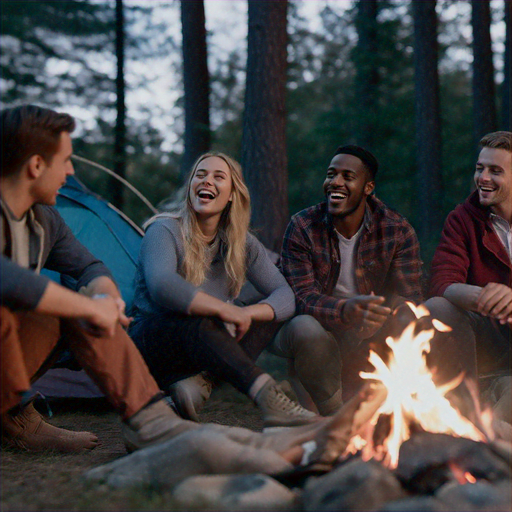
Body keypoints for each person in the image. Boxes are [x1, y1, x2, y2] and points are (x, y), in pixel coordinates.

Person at [1, 105, 219, 454]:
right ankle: (17, 417)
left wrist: (103, 297)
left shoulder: (45, 220)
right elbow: (7, 279)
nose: (70, 171)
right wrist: (85, 303)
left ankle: (153, 422)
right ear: (36, 165)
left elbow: (90, 267)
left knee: (76, 307)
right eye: (66, 160)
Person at [129, 152, 318, 429]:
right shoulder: (164, 230)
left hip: (203, 347)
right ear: (191, 186)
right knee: (204, 321)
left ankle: (196, 384)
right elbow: (162, 286)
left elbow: (286, 294)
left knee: (262, 313)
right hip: (153, 343)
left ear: (231, 194)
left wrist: (248, 313)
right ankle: (270, 399)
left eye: (219, 177)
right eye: (200, 174)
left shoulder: (242, 244)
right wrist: (225, 310)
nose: (207, 181)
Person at [270, 145, 423, 416]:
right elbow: (301, 297)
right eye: (331, 175)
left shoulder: (396, 229)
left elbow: (409, 296)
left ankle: (402, 406)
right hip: (318, 328)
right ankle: (332, 415)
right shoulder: (303, 226)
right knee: (306, 328)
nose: (335, 182)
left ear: (368, 187)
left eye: (347, 176)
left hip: (370, 331)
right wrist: (346, 311)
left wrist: (387, 313)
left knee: (409, 317)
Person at [427, 131, 512, 424]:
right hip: (487, 337)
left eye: (495, 171)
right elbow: (442, 282)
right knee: (437, 308)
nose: (483, 178)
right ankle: (462, 412)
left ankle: (489, 428)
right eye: (480, 168)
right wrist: (486, 297)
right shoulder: (462, 218)